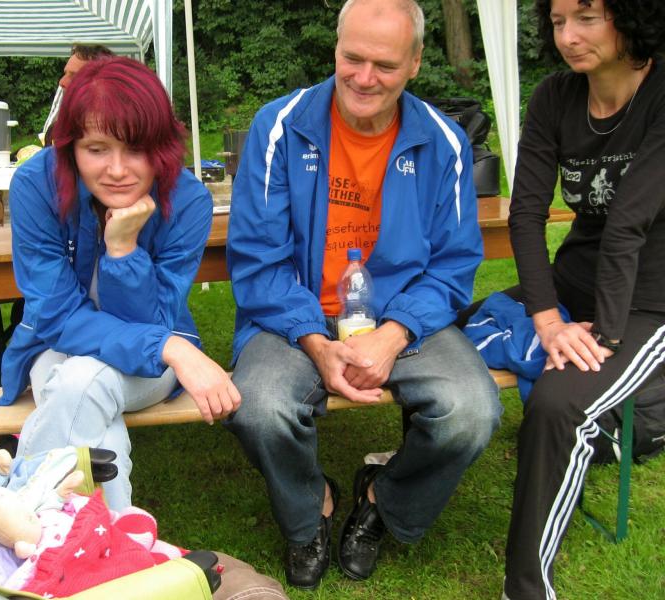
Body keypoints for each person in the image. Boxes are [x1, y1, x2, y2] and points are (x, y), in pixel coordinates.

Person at [224, 0, 502, 590]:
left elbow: (454, 266)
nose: (364, 78)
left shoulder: (444, 142)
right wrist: (316, 342)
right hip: (292, 315)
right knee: (258, 406)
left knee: (472, 412)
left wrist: (393, 334)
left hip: (401, 317)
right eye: (353, 58)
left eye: (385, 65)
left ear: (415, 63)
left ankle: (382, 499)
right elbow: (258, 262)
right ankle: (311, 512)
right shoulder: (279, 126)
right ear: (335, 47)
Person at [0, 57, 241, 513]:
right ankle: (112, 534)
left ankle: (22, 516)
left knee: (79, 383)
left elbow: (151, 319)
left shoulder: (187, 201)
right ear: (70, 147)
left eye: (135, 149)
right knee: (81, 384)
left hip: (149, 362)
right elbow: (56, 317)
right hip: (62, 348)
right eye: (96, 149)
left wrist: (123, 249)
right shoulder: (36, 185)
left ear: (162, 147)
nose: (116, 169)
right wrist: (173, 348)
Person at [0, 353, 287, 599]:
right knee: (235, 580)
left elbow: (28, 498)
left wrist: (72, 469)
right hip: (118, 584)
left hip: (111, 558)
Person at [496, 1, 665, 598]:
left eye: (587, 17)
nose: (569, 36)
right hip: (573, 283)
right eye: (558, 20)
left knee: (557, 403)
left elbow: (628, 224)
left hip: (648, 299)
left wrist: (605, 338)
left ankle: (524, 587)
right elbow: (526, 213)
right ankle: (399, 484)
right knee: (445, 334)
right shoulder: (555, 97)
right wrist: (547, 319)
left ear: (631, 15)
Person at [41, 43, 115, 145]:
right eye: (65, 73)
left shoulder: (121, 132)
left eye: (74, 76)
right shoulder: (57, 131)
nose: (61, 82)